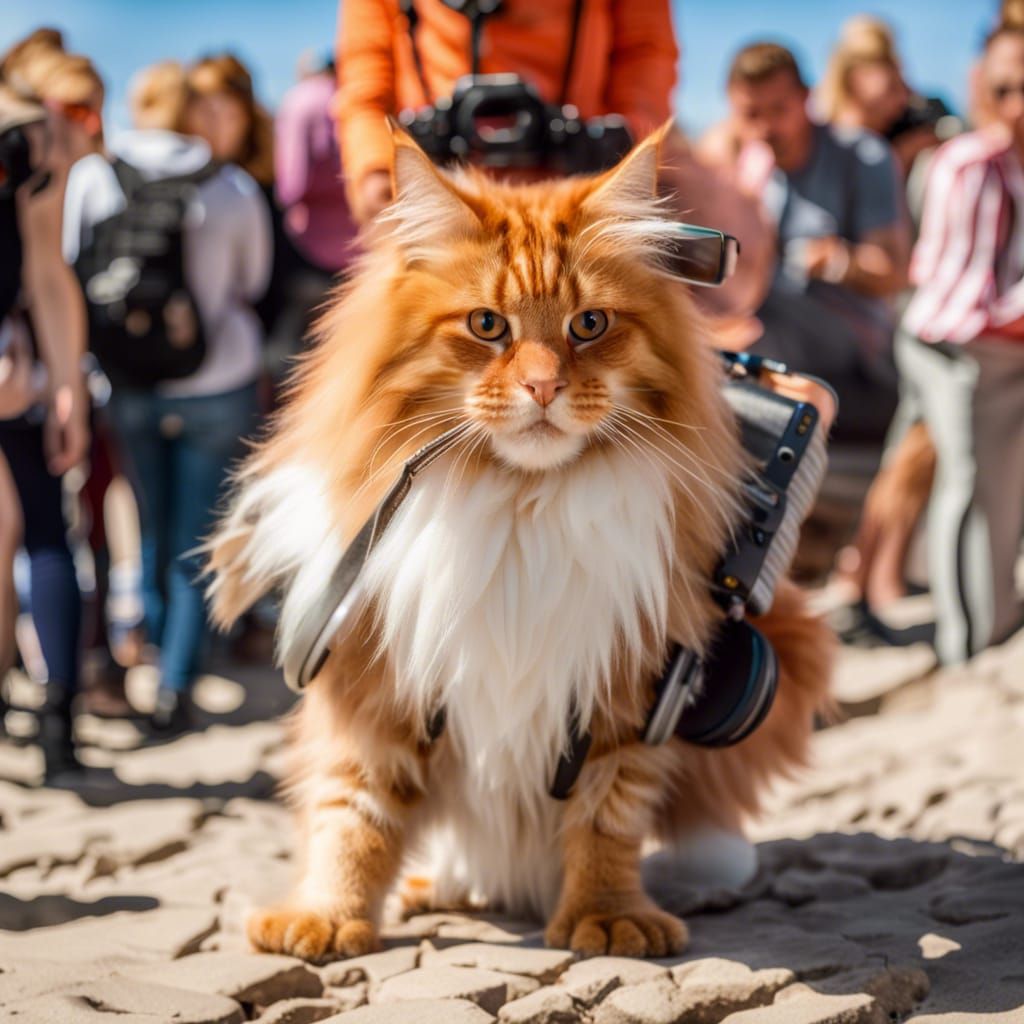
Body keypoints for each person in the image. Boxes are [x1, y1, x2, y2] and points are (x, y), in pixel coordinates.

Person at [62, 61, 272, 734]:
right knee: (196, 535)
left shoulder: (95, 175)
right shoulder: (230, 183)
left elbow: (70, 271)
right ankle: (178, 681)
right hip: (218, 378)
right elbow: (254, 278)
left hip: (127, 382)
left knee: (149, 529)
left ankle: (149, 650)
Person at [897, 23, 1024, 665]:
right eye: (1006, 89)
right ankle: (972, 644)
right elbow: (970, 301)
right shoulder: (973, 164)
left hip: (990, 343)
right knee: (974, 490)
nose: (1017, 105)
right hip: (964, 350)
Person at [335, 0, 679, 222]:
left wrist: (627, 144)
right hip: (438, 198)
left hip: (583, 194)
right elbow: (365, 78)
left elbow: (645, 53)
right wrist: (376, 172)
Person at [724, 42, 910, 445]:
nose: (766, 129)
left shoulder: (862, 155)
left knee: (746, 330)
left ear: (806, 98)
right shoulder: (755, 164)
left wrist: (839, 260)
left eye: (778, 110)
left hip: (856, 347)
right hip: (778, 329)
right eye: (752, 115)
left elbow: (893, 272)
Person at [0, 80, 91, 780]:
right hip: (20, 367)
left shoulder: (28, 138)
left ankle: (54, 715)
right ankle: (52, 719)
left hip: (19, 373)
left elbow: (47, 271)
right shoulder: (30, 135)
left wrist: (68, 389)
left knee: (29, 529)